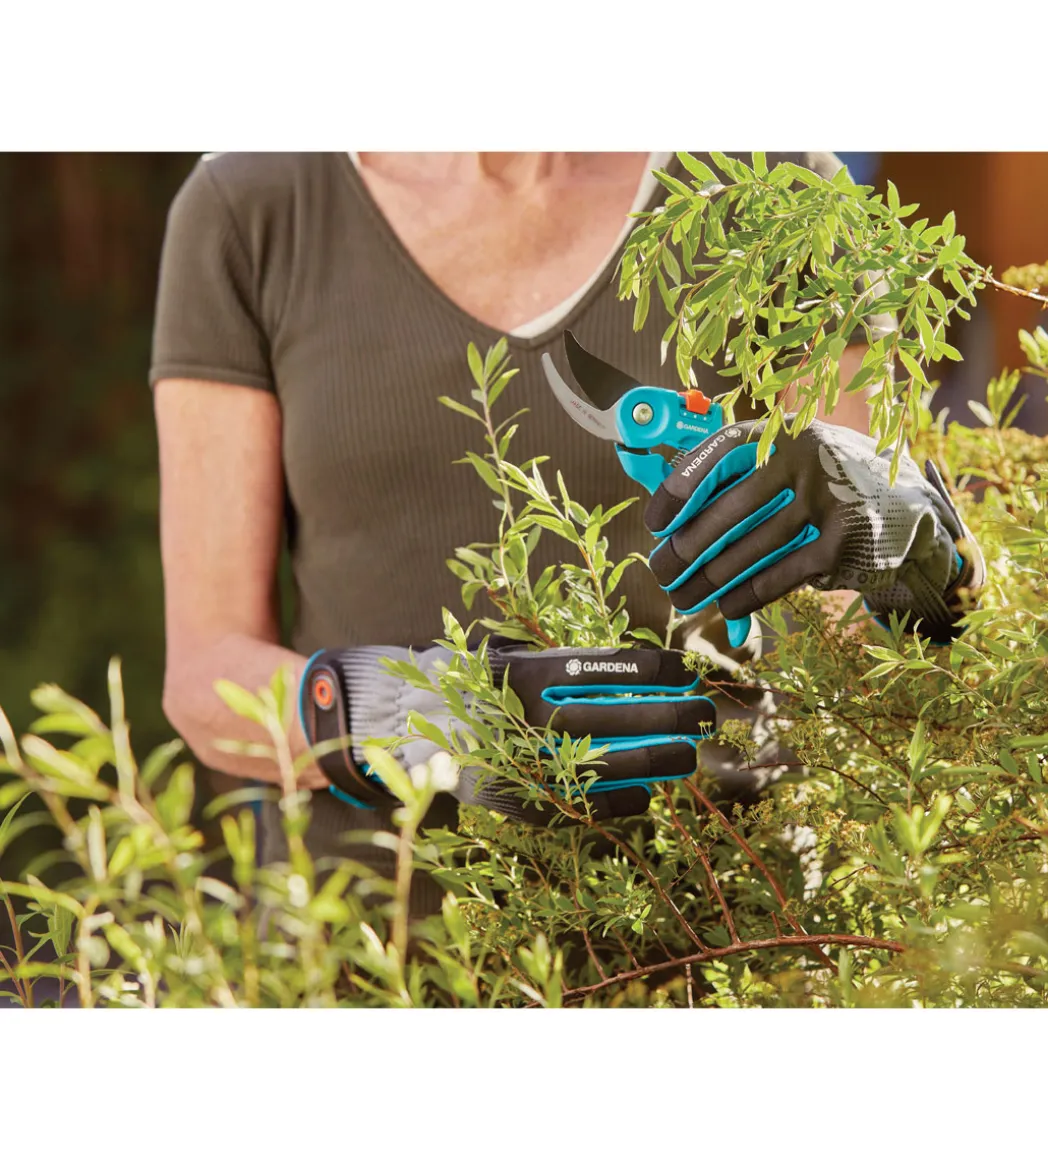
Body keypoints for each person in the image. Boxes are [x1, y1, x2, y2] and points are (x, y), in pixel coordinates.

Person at [151, 152, 980, 914]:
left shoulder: (776, 187)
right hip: (374, 948)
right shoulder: (255, 207)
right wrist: (439, 715)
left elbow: (886, 653)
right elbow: (205, 675)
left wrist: (906, 548)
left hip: (736, 930)